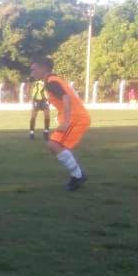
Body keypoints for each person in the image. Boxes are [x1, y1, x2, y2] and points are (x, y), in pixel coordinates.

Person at [31, 57, 90, 191]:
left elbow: (66, 97)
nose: (32, 73)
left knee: (54, 144)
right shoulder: (54, 80)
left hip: (76, 119)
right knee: (56, 145)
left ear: (42, 69)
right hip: (76, 117)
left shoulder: (51, 82)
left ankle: (78, 175)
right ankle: (78, 175)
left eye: (33, 69)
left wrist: (67, 120)